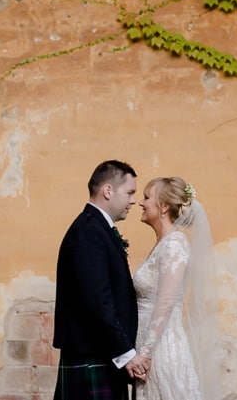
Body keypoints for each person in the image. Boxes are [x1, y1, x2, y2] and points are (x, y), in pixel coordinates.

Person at [53, 160, 146, 400]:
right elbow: (97, 301)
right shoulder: (88, 232)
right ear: (107, 191)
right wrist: (126, 354)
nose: (133, 200)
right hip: (91, 355)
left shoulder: (95, 229)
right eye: (130, 192)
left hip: (101, 354)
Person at [132, 176, 221, 400]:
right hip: (147, 345)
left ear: (163, 206)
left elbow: (166, 301)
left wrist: (146, 353)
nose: (141, 203)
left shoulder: (174, 244)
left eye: (146, 198)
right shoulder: (163, 244)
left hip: (160, 349)